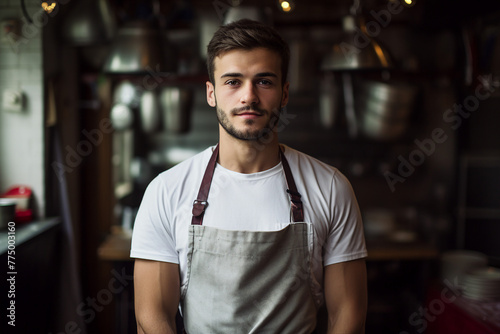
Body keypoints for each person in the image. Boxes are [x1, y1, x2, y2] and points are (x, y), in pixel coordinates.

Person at [131, 19, 367, 334]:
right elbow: (152, 316)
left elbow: (348, 315)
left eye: (264, 81)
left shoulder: (331, 188)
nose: (249, 97)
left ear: (284, 93)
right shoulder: (166, 191)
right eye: (233, 81)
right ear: (211, 93)